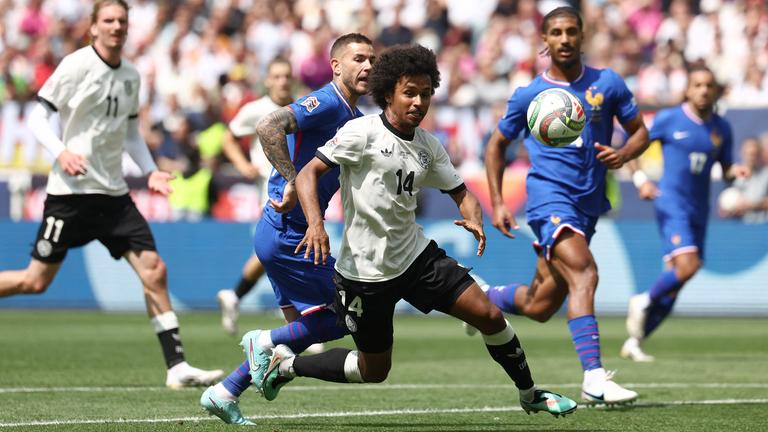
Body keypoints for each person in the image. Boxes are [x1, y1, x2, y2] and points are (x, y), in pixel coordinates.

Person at [255, 44, 577, 419]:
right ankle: (286, 366)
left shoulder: (428, 146)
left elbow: (462, 193)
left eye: (425, 94)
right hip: (365, 274)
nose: (419, 102)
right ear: (389, 92)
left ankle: (530, 392)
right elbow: (309, 172)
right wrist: (315, 223)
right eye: (410, 92)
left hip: (416, 259)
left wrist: (473, 215)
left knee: (489, 316)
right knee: (373, 371)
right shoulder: (360, 132)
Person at [0, 0, 223, 389]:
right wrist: (62, 152)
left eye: (122, 20)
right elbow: (37, 118)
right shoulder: (75, 65)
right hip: (70, 194)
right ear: (94, 27)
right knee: (35, 282)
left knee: (154, 269)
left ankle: (177, 367)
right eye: (109, 20)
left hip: (113, 196)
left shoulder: (132, 76)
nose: (117, 26)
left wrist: (150, 170)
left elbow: (132, 133)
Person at [199, 33, 375, 425]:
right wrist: (292, 178)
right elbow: (268, 125)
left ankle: (225, 391)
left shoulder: (356, 119)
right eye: (358, 59)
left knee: (306, 327)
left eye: (372, 61)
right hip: (290, 233)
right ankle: (265, 342)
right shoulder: (327, 102)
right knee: (347, 315)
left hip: (279, 231)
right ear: (336, 66)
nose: (367, 67)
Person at [484, 7, 650, 406]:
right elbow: (496, 145)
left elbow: (641, 132)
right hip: (548, 199)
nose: (563, 39)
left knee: (540, 304)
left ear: (582, 35)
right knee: (584, 272)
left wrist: (624, 154)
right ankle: (593, 377)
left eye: (570, 31)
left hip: (588, 203)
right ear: (545, 39)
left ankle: (480, 297)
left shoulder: (607, 83)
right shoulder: (528, 95)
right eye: (555, 32)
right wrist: (497, 201)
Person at [623, 65, 750, 361]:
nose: (704, 90)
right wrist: (641, 181)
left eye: (709, 85)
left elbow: (726, 170)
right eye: (698, 85)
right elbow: (631, 148)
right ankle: (643, 299)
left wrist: (736, 171)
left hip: (699, 210)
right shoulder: (670, 119)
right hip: (672, 203)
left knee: (678, 281)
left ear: (716, 90)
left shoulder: (721, 128)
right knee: (688, 266)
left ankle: (635, 340)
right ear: (688, 90)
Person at [216, 56, 294, 336]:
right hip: (271, 190)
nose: (283, 81)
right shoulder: (256, 110)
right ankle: (299, 324)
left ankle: (234, 296)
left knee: (271, 253)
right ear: (267, 80)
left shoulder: (300, 107)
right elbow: (228, 138)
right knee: (283, 248)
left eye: (287, 75)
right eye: (277, 76)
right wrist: (242, 165)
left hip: (296, 188)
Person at [725, 136, 768, 224]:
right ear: (741, 153)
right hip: (738, 228)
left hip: (762, 227)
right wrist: (729, 208)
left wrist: (751, 205)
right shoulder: (733, 175)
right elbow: (725, 204)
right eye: (748, 154)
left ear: (760, 154)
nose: (751, 158)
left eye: (754, 154)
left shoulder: (766, 174)